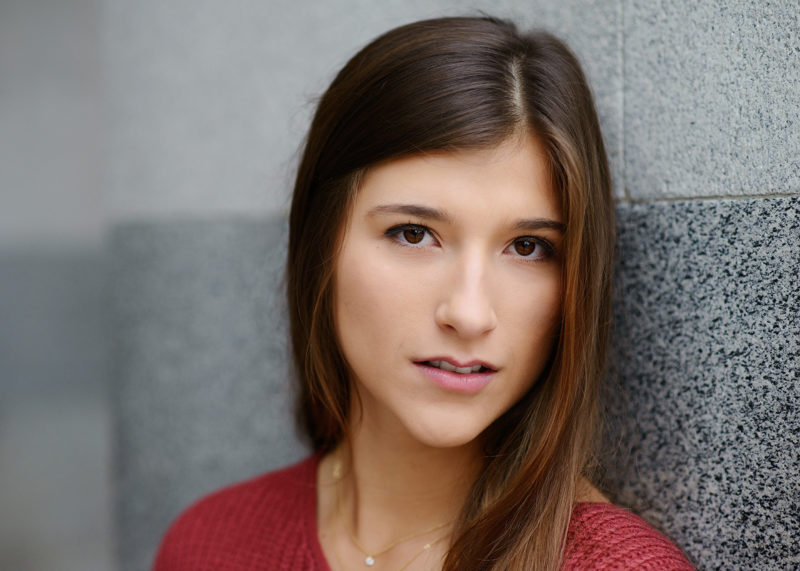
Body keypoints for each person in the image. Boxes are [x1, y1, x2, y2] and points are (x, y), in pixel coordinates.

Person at [153, 16, 694, 570]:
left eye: (528, 247)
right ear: (322, 245)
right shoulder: (209, 544)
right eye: (414, 234)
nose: (468, 312)